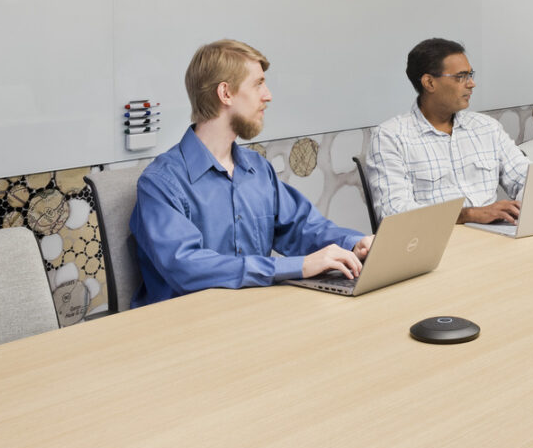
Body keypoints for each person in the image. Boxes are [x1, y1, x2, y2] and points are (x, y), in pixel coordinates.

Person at [130, 39, 369, 304]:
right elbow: (187, 268)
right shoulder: (161, 182)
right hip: (185, 328)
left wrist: (353, 244)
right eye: (258, 84)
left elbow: (302, 228)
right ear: (226, 93)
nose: (268, 95)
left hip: (253, 316)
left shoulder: (257, 169)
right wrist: (296, 267)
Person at [365, 38, 529, 225]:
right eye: (461, 77)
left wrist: (522, 206)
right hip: (436, 245)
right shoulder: (390, 137)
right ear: (429, 83)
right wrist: (468, 215)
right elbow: (394, 214)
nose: (471, 84)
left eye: (470, 75)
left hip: (495, 236)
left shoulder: (486, 127)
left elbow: (527, 179)